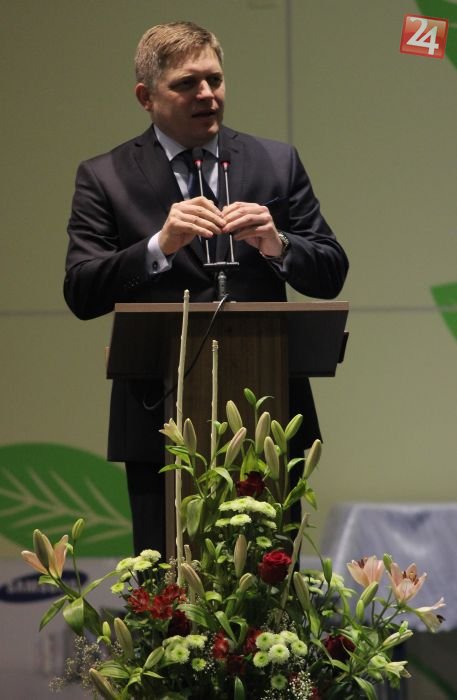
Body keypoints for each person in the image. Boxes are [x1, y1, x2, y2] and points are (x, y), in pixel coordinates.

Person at [64, 21, 349, 556]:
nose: (207, 94)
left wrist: (278, 244)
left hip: (268, 413)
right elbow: (81, 291)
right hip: (159, 420)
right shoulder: (105, 176)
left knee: (270, 575)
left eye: (214, 80)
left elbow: (331, 269)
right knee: (169, 579)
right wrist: (158, 246)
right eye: (186, 84)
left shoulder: (275, 162)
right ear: (146, 97)